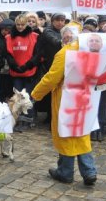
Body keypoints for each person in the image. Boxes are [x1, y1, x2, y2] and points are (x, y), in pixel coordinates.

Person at [31, 42, 97, 186]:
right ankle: (89, 171)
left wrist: (36, 94)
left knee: (66, 133)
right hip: (85, 97)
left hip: (66, 99)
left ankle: (65, 172)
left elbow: (52, 78)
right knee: (82, 133)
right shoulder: (92, 49)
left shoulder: (65, 53)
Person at [6, 14, 39, 129]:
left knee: (28, 97)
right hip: (16, 72)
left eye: (22, 25)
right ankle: (18, 119)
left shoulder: (34, 36)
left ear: (26, 24)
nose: (20, 27)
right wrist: (15, 66)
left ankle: (28, 119)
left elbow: (37, 55)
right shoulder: (9, 37)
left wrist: (27, 66)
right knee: (17, 97)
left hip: (29, 71)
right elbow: (8, 54)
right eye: (18, 25)